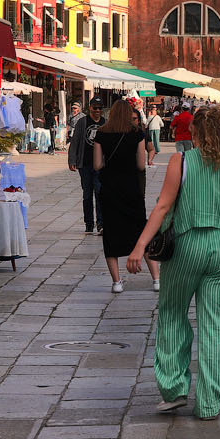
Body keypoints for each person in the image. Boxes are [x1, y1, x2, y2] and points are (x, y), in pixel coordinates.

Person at [128, 107, 220, 419]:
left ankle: (174, 388)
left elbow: (163, 206)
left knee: (174, 314)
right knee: (215, 323)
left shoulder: (182, 161)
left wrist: (140, 246)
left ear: (196, 133)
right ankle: (208, 404)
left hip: (188, 244)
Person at [95, 100, 157, 294]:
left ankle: (116, 282)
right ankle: (156, 279)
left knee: (112, 232)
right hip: (132, 188)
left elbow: (97, 165)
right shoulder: (136, 134)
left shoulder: (101, 133)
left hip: (110, 189)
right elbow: (140, 164)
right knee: (141, 229)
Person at [67, 97, 107, 235]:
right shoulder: (82, 122)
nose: (97, 110)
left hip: (100, 165)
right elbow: (75, 142)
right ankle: (89, 223)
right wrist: (72, 160)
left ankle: (101, 223)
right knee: (87, 195)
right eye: (95, 107)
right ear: (89, 107)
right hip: (84, 164)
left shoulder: (105, 123)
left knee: (100, 193)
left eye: (100, 108)